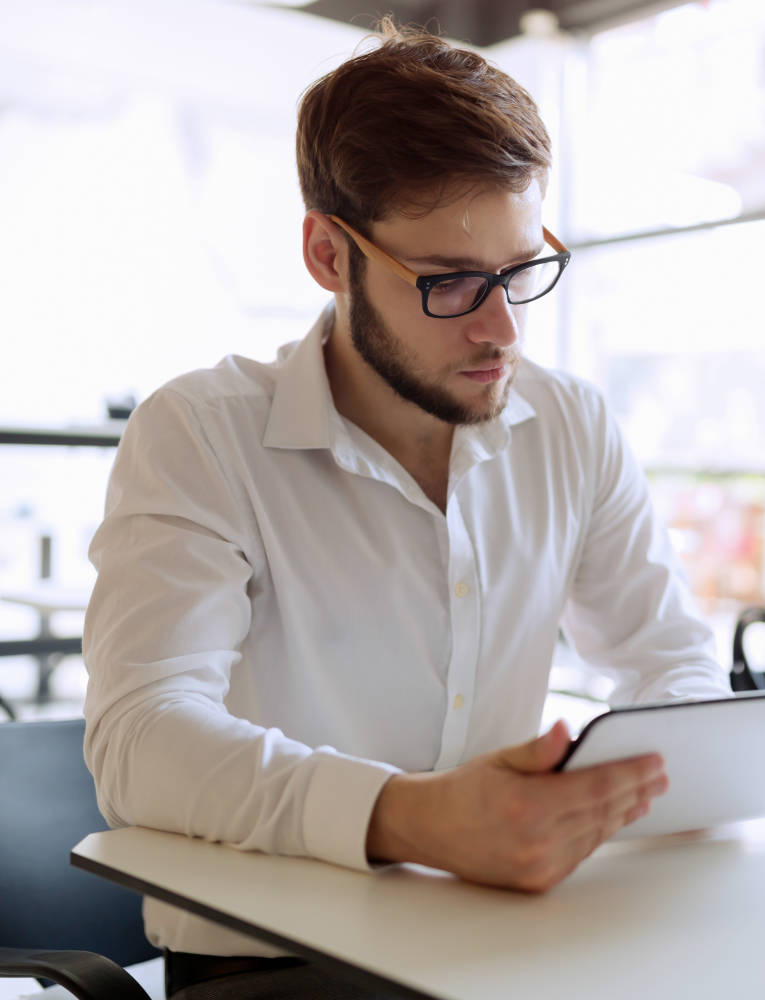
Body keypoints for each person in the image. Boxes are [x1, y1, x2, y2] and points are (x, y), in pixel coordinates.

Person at [82, 19, 729, 1000]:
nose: (500, 326)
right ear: (326, 254)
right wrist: (411, 817)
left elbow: (672, 662)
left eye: (520, 270)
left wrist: (623, 791)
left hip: (503, 940)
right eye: (451, 283)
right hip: (274, 966)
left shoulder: (572, 425)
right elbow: (140, 739)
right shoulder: (201, 434)